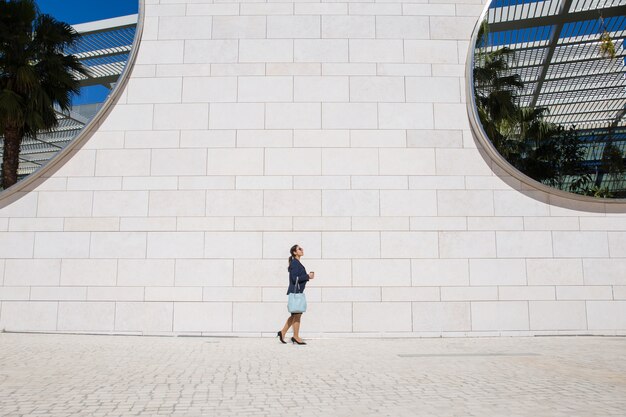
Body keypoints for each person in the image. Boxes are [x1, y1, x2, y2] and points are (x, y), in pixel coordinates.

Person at [278, 244, 314, 345]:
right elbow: (294, 278)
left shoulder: (297, 263)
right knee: (297, 314)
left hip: (296, 292)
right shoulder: (295, 263)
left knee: (295, 314)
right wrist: (308, 276)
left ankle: (283, 332)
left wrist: (307, 277)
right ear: (295, 252)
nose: (302, 250)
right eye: (299, 249)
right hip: (295, 293)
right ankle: (295, 336)